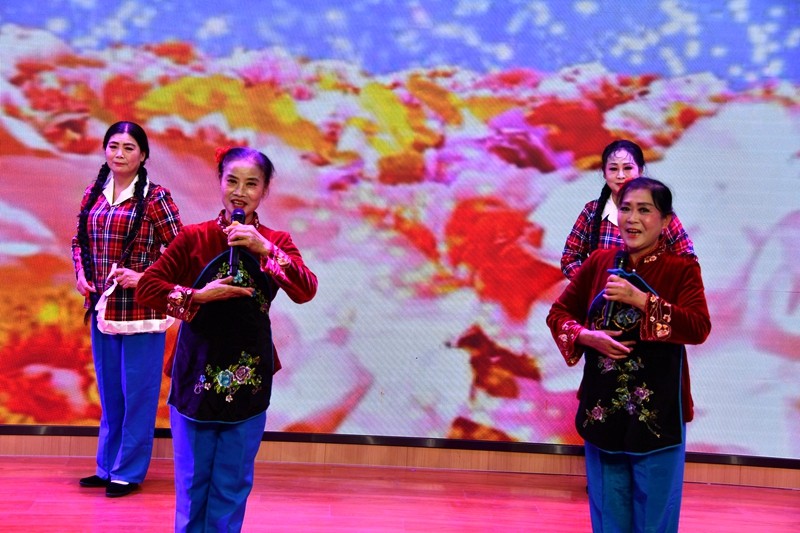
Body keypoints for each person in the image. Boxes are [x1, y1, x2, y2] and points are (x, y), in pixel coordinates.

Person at [135, 146, 318, 532]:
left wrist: (265, 249)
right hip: (195, 375)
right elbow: (147, 288)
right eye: (232, 181)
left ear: (264, 190)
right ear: (219, 182)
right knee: (192, 482)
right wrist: (198, 296)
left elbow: (306, 290)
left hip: (248, 378)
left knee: (232, 484)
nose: (240, 192)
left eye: (251, 184)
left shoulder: (276, 240)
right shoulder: (194, 237)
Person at [546, 177, 711, 532]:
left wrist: (642, 300)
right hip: (602, 406)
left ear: (666, 221)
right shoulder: (599, 262)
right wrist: (587, 336)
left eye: (644, 210)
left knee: (655, 511)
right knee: (608, 507)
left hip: (658, 412)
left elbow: (698, 327)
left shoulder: (681, 269)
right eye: (625, 209)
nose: (632, 219)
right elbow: (558, 314)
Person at [71, 121, 183, 497]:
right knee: (110, 393)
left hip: (141, 312)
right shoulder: (94, 193)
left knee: (138, 394)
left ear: (143, 155)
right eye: (113, 146)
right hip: (102, 308)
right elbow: (79, 241)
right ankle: (106, 467)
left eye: (129, 148)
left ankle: (128, 471)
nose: (119, 154)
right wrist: (81, 273)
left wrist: (144, 276)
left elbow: (179, 249)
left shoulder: (155, 197)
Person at [561, 139, 695, 280]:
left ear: (640, 170)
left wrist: (658, 287)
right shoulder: (592, 211)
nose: (621, 175)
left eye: (627, 168)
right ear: (604, 173)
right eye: (613, 169)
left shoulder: (659, 211)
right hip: (603, 294)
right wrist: (591, 284)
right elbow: (570, 257)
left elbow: (687, 259)